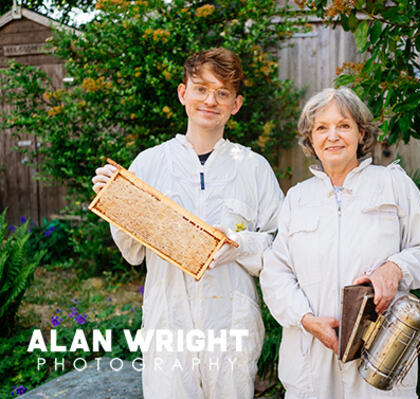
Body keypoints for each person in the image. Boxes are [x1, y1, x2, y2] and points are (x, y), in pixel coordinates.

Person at [91, 48, 283, 399]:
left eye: (222, 93)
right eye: (201, 89)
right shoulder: (149, 164)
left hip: (232, 325)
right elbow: (133, 253)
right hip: (169, 322)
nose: (210, 100)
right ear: (183, 93)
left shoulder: (253, 168)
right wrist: (115, 201)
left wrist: (237, 244)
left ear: (235, 104)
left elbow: (280, 245)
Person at [260, 87, 420, 399]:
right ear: (310, 139)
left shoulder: (392, 184)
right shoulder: (297, 198)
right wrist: (306, 320)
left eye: (343, 125)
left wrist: (395, 268)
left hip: (380, 357)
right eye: (321, 128)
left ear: (362, 134)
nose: (332, 136)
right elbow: (275, 273)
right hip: (312, 361)